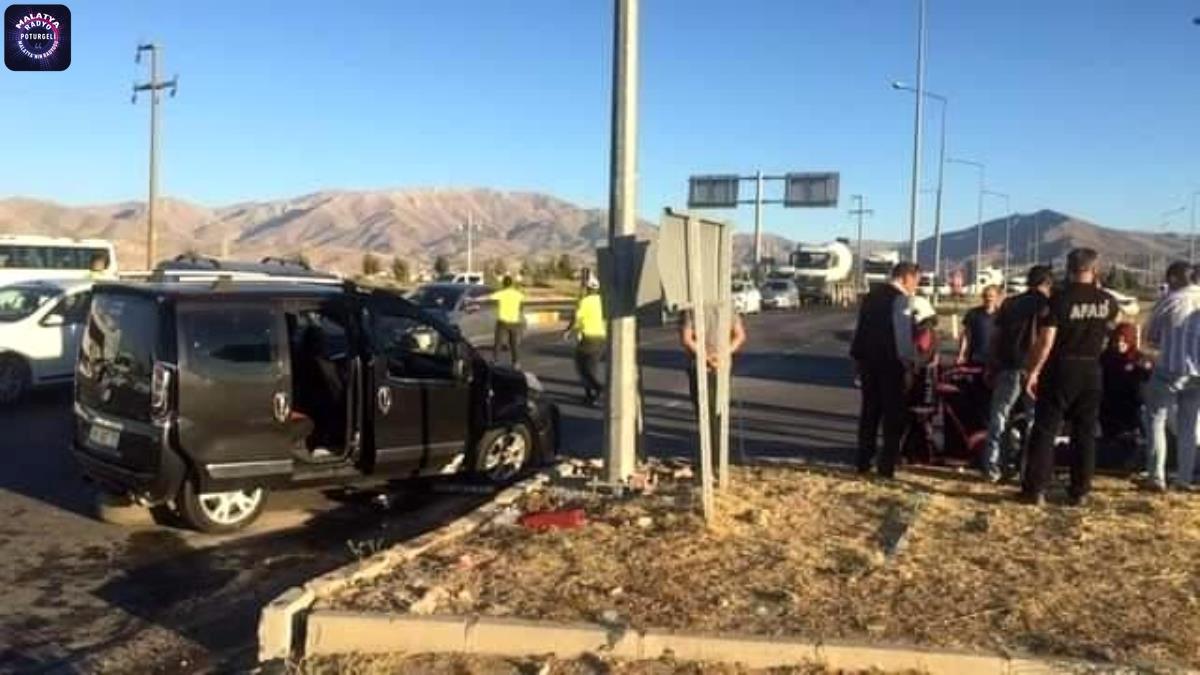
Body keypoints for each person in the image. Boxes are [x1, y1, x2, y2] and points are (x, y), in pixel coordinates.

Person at [1022, 248, 1119, 506]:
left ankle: (1036, 488)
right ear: (1094, 269)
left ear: (1069, 269)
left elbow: (1046, 341)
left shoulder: (1058, 300)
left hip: (1061, 367)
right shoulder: (1108, 301)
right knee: (1084, 432)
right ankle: (1081, 490)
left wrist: (1033, 371)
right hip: (1091, 369)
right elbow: (1110, 330)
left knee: (1046, 429)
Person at [980, 265, 1054, 482]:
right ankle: (1028, 468)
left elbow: (996, 336)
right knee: (1034, 421)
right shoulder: (1048, 306)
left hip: (1009, 367)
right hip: (1036, 369)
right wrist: (1038, 369)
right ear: (1047, 284)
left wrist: (992, 364)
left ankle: (994, 467)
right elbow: (1048, 339)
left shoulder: (1010, 303)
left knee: (999, 418)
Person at [850, 261, 920, 478]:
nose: (916, 285)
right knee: (892, 417)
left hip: (868, 362)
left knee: (869, 414)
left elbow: (860, 330)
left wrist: (858, 361)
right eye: (916, 280)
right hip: (891, 364)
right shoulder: (900, 299)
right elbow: (902, 337)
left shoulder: (871, 296)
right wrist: (909, 365)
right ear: (906, 277)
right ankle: (886, 466)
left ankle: (863, 462)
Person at [1143, 261, 1200, 491]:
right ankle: (1184, 478)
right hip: (1197, 374)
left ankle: (1157, 475)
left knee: (1156, 421)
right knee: (1189, 426)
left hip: (1169, 370)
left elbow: (1150, 334)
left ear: (1175, 278)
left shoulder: (1171, 300)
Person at [679, 304, 747, 418]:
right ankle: (717, 434)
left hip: (700, 366)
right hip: (722, 365)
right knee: (719, 409)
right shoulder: (727, 306)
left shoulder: (692, 307)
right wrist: (723, 354)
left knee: (703, 411)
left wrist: (706, 357)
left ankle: (709, 434)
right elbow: (740, 336)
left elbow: (687, 339)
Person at [1099, 322, 1151, 441]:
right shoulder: (1106, 357)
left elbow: (1147, 377)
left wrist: (1142, 368)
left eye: (1124, 341)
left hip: (1131, 408)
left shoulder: (1138, 358)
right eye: (1117, 341)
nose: (1119, 345)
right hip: (1108, 408)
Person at [564, 277, 606, 406]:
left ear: (587, 288)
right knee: (591, 367)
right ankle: (591, 396)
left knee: (581, 366)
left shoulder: (584, 301)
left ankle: (598, 389)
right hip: (601, 338)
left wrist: (568, 330)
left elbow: (576, 317)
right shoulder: (603, 301)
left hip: (589, 338)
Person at [957, 285, 1001, 366]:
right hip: (975, 357)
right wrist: (961, 354)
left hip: (995, 359)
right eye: (985, 296)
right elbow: (966, 336)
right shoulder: (973, 314)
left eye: (991, 296)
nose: (988, 298)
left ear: (997, 297)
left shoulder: (1002, 315)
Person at [489, 276, 525, 368]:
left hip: (503, 322)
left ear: (503, 284)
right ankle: (516, 363)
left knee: (498, 342)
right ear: (511, 284)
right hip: (514, 322)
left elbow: (490, 298)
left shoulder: (501, 293)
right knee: (513, 344)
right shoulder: (518, 294)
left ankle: (495, 360)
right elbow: (521, 307)